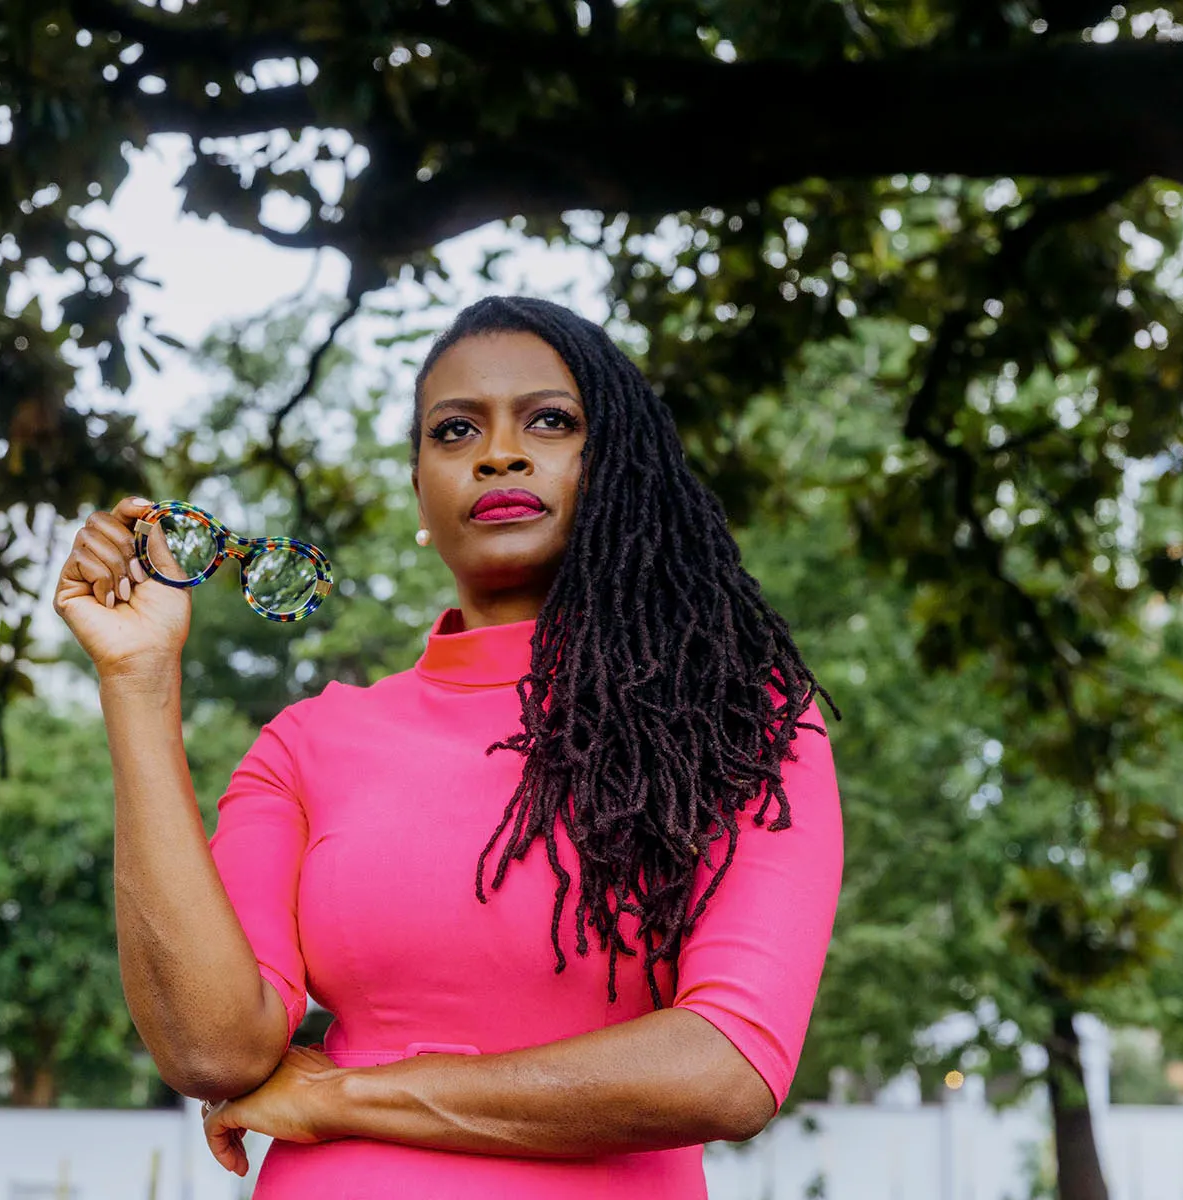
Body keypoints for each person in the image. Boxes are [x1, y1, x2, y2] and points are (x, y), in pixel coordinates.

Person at [54, 295, 844, 1198]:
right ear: (420, 491)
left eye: (550, 421)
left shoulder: (743, 726)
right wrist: (139, 685)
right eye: (455, 429)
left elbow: (726, 1067)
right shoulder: (309, 744)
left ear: (620, 465)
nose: (499, 453)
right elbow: (213, 1048)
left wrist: (344, 1098)